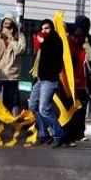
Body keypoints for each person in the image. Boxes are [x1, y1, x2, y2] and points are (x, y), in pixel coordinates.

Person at [29, 19, 66, 147]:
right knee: (33, 105)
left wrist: (43, 43)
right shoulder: (44, 42)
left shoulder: (55, 41)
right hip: (41, 79)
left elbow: (54, 57)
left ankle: (59, 134)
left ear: (52, 29)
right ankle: (44, 134)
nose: (44, 31)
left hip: (50, 80)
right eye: (43, 29)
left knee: (44, 109)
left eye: (47, 28)